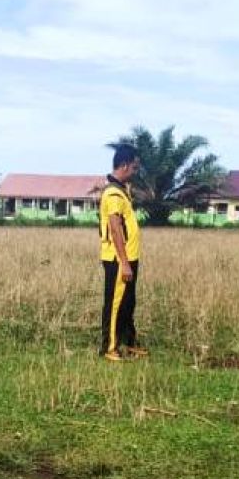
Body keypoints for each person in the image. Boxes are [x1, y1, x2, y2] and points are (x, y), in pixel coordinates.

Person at [99, 144, 145, 362]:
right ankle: (109, 347)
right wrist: (124, 263)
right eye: (134, 168)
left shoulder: (122, 191)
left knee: (128, 302)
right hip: (118, 260)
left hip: (129, 257)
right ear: (125, 165)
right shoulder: (113, 194)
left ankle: (128, 341)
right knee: (116, 304)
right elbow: (115, 229)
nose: (135, 172)